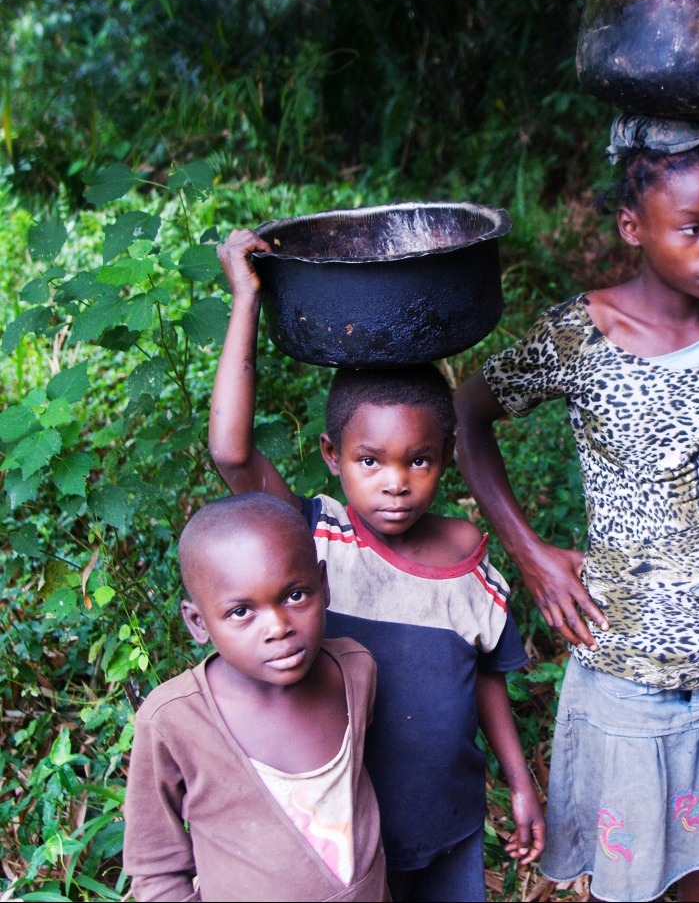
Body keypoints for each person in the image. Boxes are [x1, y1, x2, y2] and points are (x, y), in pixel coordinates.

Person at [455, 120, 699, 903]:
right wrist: (529, 552)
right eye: (690, 227)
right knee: (628, 883)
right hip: (628, 666)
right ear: (633, 227)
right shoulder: (582, 335)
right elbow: (466, 416)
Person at [208, 230, 545, 902]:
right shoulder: (317, 539)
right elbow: (231, 450)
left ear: (446, 456)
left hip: (448, 824)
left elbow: (487, 684)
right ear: (333, 454)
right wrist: (246, 298)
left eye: (417, 460)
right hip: (347, 839)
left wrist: (519, 780)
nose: (396, 483)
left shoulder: (477, 570)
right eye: (372, 461)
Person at [123, 492, 387, 902]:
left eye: (295, 595)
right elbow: (155, 868)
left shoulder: (354, 670)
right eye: (241, 612)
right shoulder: (173, 721)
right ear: (198, 622)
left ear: (323, 584)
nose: (279, 626)